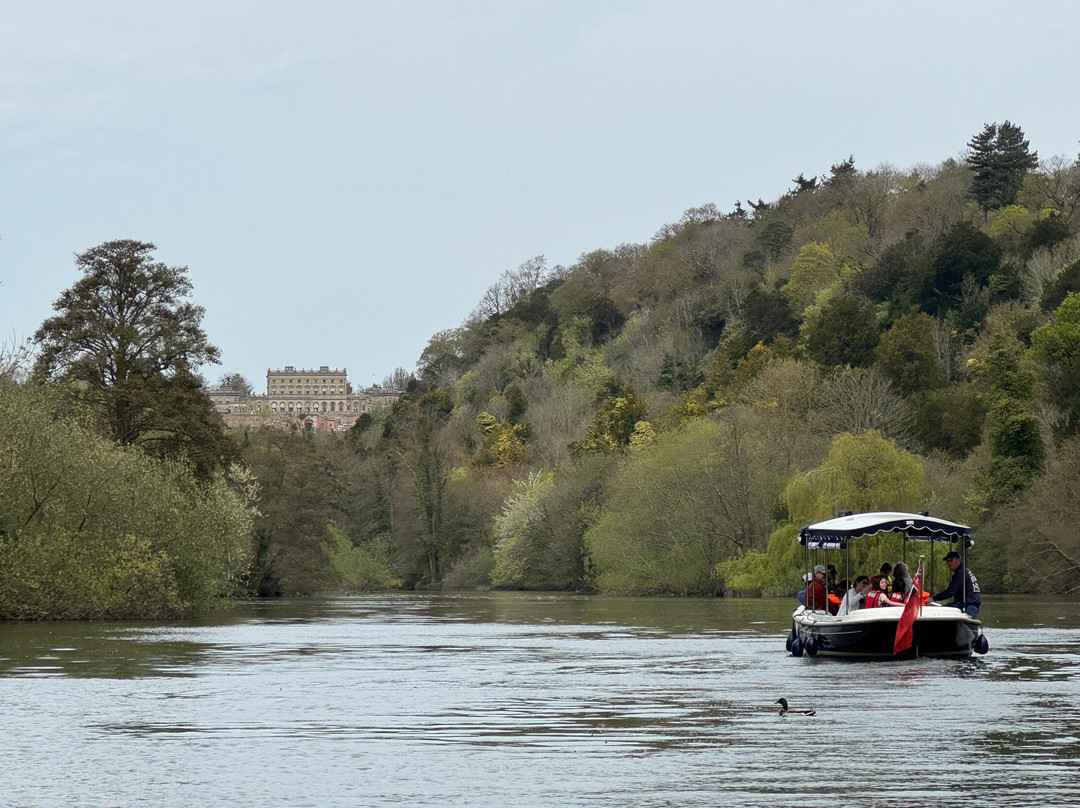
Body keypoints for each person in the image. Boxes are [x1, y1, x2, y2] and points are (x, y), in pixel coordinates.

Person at [932, 551, 981, 617]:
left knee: (940, 612)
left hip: (969, 605)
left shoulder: (960, 573)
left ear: (958, 560)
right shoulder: (964, 571)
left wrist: (933, 599)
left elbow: (951, 591)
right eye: (947, 561)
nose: (949, 563)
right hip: (972, 604)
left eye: (951, 560)